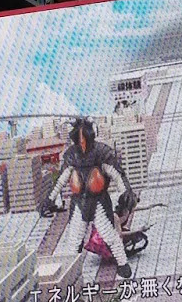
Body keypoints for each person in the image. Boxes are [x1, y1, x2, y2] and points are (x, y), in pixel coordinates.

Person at [41, 117, 136, 279]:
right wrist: (50, 198)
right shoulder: (71, 156)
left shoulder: (101, 153)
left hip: (99, 201)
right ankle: (72, 273)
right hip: (79, 203)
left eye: (85, 138)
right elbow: (61, 179)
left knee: (110, 235)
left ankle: (122, 263)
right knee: (74, 240)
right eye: (79, 140)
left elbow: (117, 174)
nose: (83, 143)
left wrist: (125, 193)